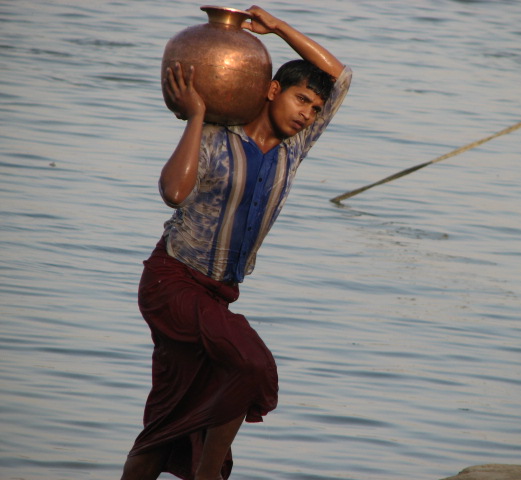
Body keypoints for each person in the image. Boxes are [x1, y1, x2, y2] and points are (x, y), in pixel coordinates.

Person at [120, 5, 351, 480]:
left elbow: (340, 77)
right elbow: (172, 193)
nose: (307, 113)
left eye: (313, 107)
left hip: (219, 292)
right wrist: (196, 116)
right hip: (172, 282)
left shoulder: (294, 149)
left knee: (163, 425)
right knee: (251, 364)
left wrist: (279, 28)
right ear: (272, 91)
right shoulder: (212, 138)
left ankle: (207, 471)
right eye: (300, 99)